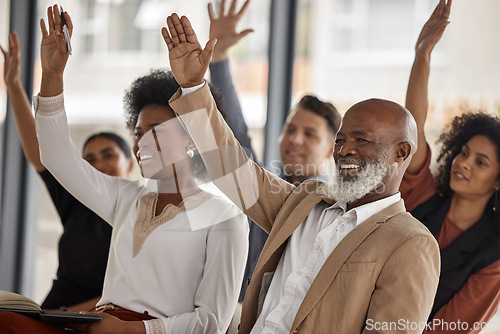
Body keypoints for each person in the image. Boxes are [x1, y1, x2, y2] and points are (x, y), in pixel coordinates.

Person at [162, 13, 440, 333]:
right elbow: (232, 170)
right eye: (340, 139)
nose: (345, 150)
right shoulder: (307, 202)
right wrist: (193, 87)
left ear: (401, 152)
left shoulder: (411, 242)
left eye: (361, 140)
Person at [0, 5, 248, 334]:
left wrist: (136, 331)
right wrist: (52, 77)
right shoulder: (127, 197)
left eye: (156, 131)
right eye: (138, 132)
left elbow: (211, 322)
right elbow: (58, 158)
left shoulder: (224, 215)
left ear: (192, 140)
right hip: (96, 324)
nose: (141, 142)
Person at [207, 0, 342, 303]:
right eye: (290, 130)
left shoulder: (333, 208)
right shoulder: (262, 184)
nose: (294, 140)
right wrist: (219, 58)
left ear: (331, 149)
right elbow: (237, 135)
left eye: (309, 134)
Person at [1, 31, 135, 312]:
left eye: (108, 155)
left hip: (95, 319)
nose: (98, 164)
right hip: (51, 313)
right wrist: (13, 85)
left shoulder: (142, 211)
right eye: (89, 159)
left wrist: (73, 315)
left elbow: (135, 291)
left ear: (131, 162)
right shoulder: (78, 203)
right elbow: (40, 153)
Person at [402, 0, 500, 332]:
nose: (464, 162)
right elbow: (412, 128)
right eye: (464, 152)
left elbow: (450, 329)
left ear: (498, 181)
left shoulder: (493, 255)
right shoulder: (423, 196)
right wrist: (422, 54)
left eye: (481, 162)